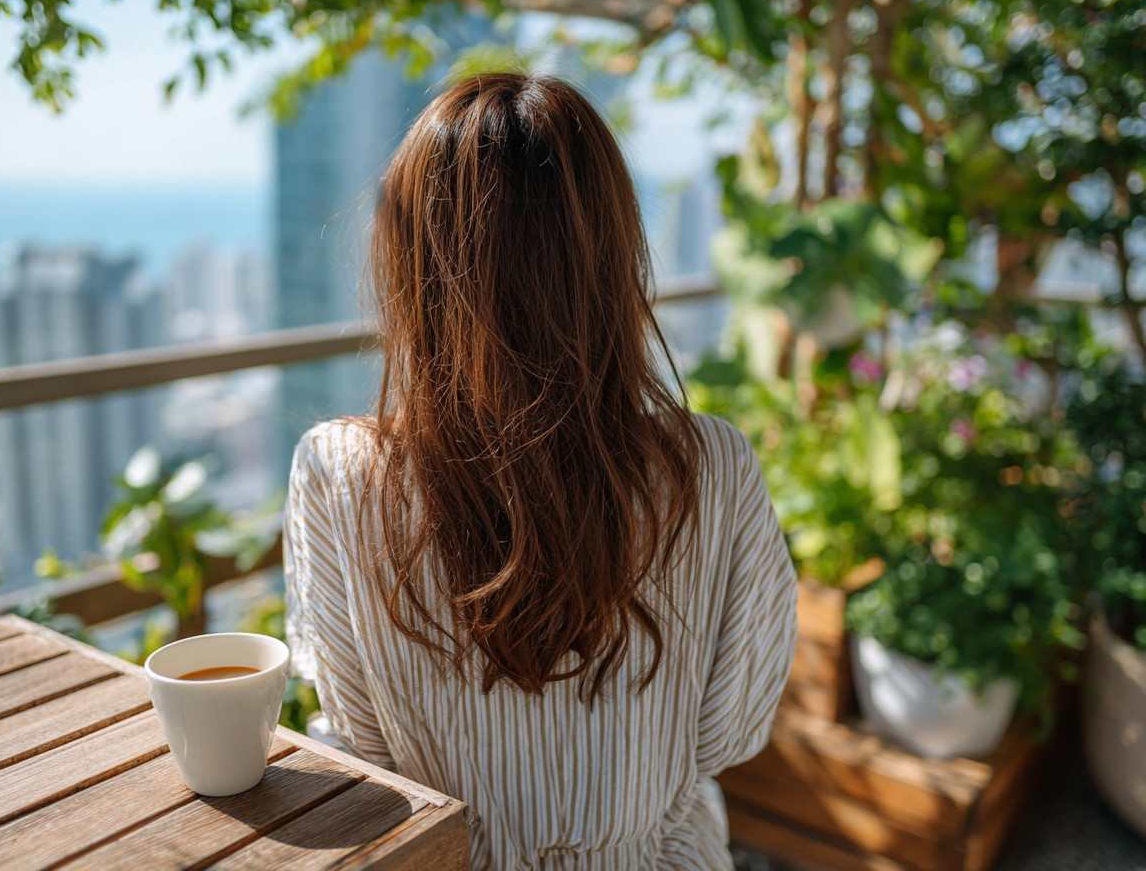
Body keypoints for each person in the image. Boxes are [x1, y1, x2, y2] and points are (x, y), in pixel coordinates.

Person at [284, 73, 797, 870]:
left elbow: (359, 744)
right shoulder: (713, 465)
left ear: (413, 267)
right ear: (615, 251)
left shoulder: (335, 471)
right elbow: (730, 733)